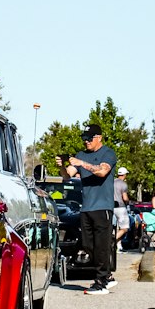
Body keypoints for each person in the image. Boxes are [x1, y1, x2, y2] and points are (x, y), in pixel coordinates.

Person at [65, 123, 116, 293]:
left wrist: (82, 163)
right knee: (88, 246)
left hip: (103, 207)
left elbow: (102, 172)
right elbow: (67, 176)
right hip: (86, 207)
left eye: (89, 138)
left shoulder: (108, 153)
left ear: (99, 138)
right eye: (84, 138)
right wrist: (62, 164)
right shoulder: (81, 154)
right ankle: (107, 275)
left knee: (102, 245)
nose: (86, 141)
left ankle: (101, 282)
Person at [113, 165, 130, 251]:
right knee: (124, 228)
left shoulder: (112, 182)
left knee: (116, 228)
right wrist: (128, 202)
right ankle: (111, 241)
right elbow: (125, 198)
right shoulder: (123, 184)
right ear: (124, 175)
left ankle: (118, 247)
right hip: (121, 207)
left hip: (111, 207)